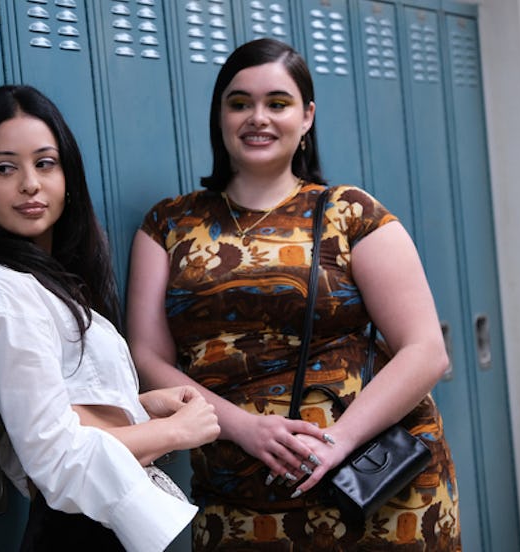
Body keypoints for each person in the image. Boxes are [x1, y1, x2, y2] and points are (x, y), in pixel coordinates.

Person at [127, 38, 461, 549]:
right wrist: (241, 427)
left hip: (374, 484)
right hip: (239, 496)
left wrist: (337, 443)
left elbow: (425, 351)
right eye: (240, 103)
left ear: (306, 117)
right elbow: (148, 356)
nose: (257, 117)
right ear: (220, 115)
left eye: (276, 103)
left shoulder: (351, 212)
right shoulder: (168, 225)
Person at [0, 84, 221, 551]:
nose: (30, 183)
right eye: (4, 168)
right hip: (72, 536)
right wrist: (174, 432)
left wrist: (140, 407)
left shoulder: (41, 282)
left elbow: (59, 411)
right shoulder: (0, 291)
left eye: (45, 163)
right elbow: (54, 457)